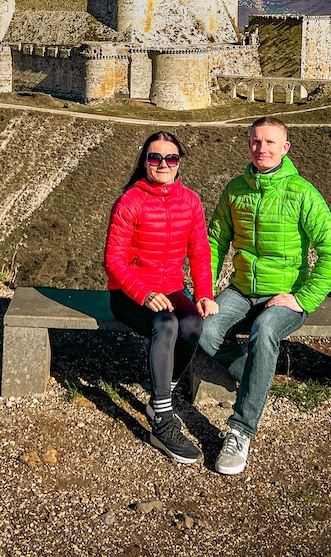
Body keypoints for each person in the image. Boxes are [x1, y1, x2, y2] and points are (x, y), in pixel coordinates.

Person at [200, 117, 331, 475]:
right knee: (203, 330)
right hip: (241, 289)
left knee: (266, 330)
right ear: (248, 145)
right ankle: (258, 378)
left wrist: (303, 298)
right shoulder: (235, 189)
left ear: (285, 148)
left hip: (286, 295)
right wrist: (204, 291)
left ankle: (240, 431)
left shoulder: (301, 192)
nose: (261, 148)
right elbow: (215, 242)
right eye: (255, 142)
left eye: (269, 142)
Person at [104, 131, 219, 464]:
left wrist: (204, 294)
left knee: (193, 324)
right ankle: (162, 420)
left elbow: (199, 252)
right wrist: (143, 292)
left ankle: (160, 396)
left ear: (179, 162)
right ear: (145, 162)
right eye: (155, 158)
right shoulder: (130, 201)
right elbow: (113, 260)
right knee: (166, 325)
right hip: (128, 292)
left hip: (171, 288)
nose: (163, 164)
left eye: (171, 158)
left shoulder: (191, 201)